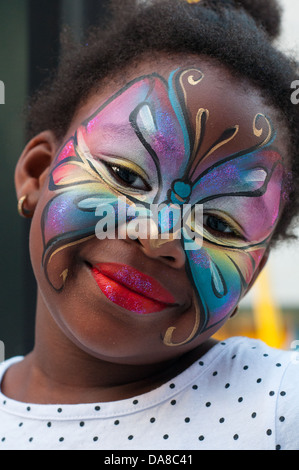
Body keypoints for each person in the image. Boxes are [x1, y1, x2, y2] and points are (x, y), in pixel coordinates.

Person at [0, 0, 298, 451]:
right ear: (38, 172)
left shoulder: (278, 401)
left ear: (251, 276)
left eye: (218, 224)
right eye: (126, 175)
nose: (160, 235)